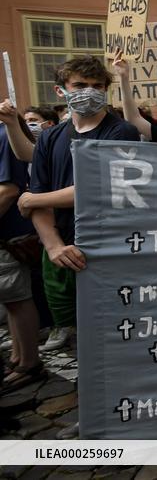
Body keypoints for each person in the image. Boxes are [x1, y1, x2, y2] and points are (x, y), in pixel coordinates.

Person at [18, 55, 140, 363]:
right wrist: (53, 245)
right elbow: (40, 190)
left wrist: (33, 200)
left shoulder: (119, 132)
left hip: (107, 247)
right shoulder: (50, 137)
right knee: (78, 336)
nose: (89, 91)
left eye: (97, 86)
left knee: (116, 332)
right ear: (61, 91)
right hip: (63, 248)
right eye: (80, 85)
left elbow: (102, 186)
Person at [0, 121, 43, 391]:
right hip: (7, 235)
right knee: (10, 301)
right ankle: (18, 357)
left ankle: (29, 361)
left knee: (17, 297)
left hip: (9, 236)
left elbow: (8, 190)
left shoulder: (4, 134)